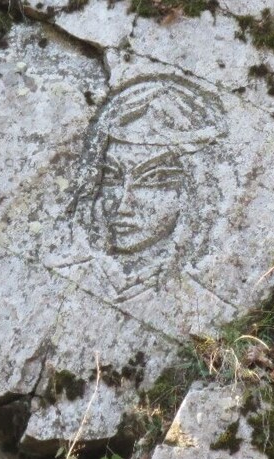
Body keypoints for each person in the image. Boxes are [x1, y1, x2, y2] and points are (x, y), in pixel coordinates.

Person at [51, 75, 227, 303]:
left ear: (195, 191)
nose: (123, 205)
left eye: (154, 179)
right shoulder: (63, 274)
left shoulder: (201, 301)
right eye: (112, 176)